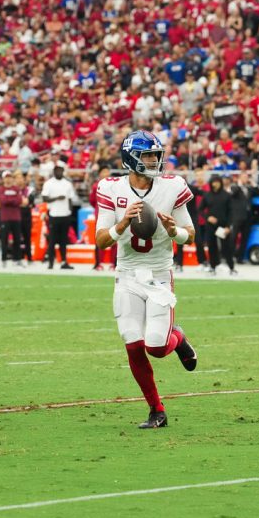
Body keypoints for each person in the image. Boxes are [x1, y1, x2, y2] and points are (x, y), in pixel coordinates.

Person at [94, 130, 198, 429]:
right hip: (126, 275)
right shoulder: (111, 189)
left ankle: (177, 339)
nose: (153, 160)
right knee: (132, 342)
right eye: (147, 155)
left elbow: (190, 236)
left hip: (159, 278)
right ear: (130, 159)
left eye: (155, 154)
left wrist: (171, 230)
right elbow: (101, 241)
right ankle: (157, 410)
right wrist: (123, 222)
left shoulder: (172, 187)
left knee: (156, 346)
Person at [42, 163, 76, 269]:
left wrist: (70, 211)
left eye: (61, 170)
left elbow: (70, 198)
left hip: (65, 214)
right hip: (54, 214)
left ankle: (64, 262)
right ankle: (51, 262)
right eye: (57, 170)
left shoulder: (67, 184)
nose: (59, 172)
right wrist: (57, 198)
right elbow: (44, 198)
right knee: (52, 240)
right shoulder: (49, 183)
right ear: (54, 171)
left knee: (63, 240)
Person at [201, 175, 235, 275]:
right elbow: (200, 210)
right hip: (210, 226)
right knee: (212, 247)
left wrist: (229, 226)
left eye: (217, 182)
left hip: (223, 226)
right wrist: (207, 217)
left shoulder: (226, 195)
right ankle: (213, 267)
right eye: (213, 182)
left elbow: (231, 212)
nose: (215, 184)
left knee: (226, 247)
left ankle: (231, 268)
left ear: (220, 182)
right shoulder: (207, 195)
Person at [0, 171, 24, 267]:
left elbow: (19, 200)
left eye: (10, 177)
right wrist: (12, 199)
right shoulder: (0, 189)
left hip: (16, 217)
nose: (8, 179)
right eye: (6, 177)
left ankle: (17, 259)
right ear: (3, 179)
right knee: (4, 240)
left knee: (17, 239)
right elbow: (3, 200)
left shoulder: (16, 188)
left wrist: (9, 199)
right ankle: (4, 259)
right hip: (5, 217)